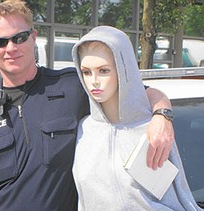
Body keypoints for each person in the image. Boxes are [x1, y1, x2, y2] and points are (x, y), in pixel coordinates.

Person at [0, 1, 174, 210]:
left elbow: (140, 93)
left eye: (19, 37)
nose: (10, 48)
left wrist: (162, 116)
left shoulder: (73, 86)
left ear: (33, 36)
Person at [71, 25, 201, 210]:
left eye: (104, 70)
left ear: (123, 71)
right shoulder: (84, 130)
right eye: (86, 72)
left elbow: (179, 196)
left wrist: (162, 115)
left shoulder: (153, 129)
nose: (94, 80)